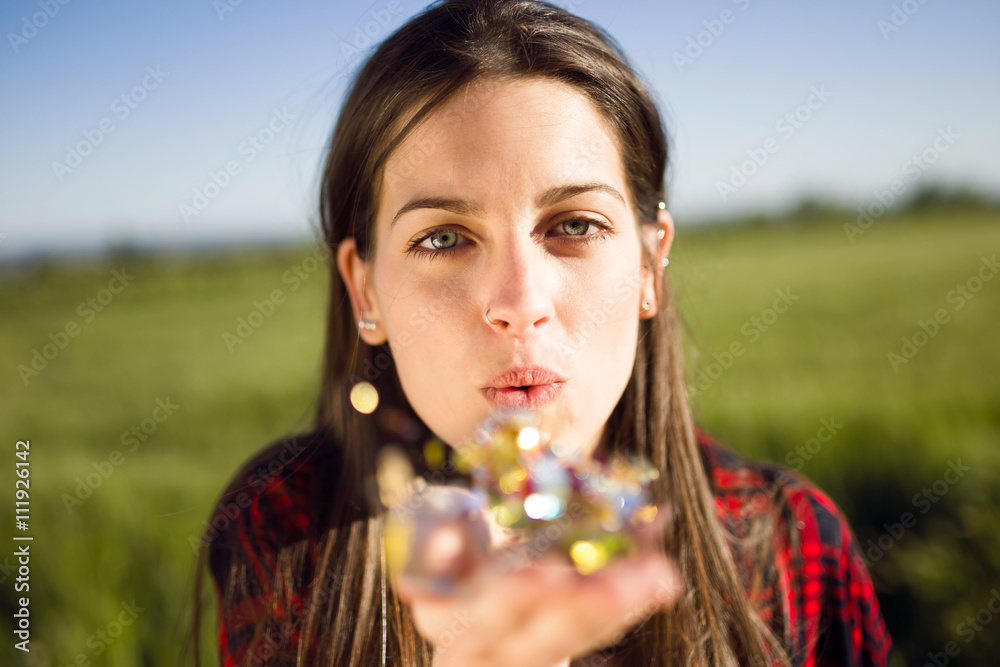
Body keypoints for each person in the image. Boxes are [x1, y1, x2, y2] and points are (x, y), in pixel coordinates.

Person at [193, 1, 893, 665]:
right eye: (443, 238)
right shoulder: (285, 531)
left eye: (575, 226)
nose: (519, 302)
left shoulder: (793, 541)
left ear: (650, 264)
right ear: (365, 290)